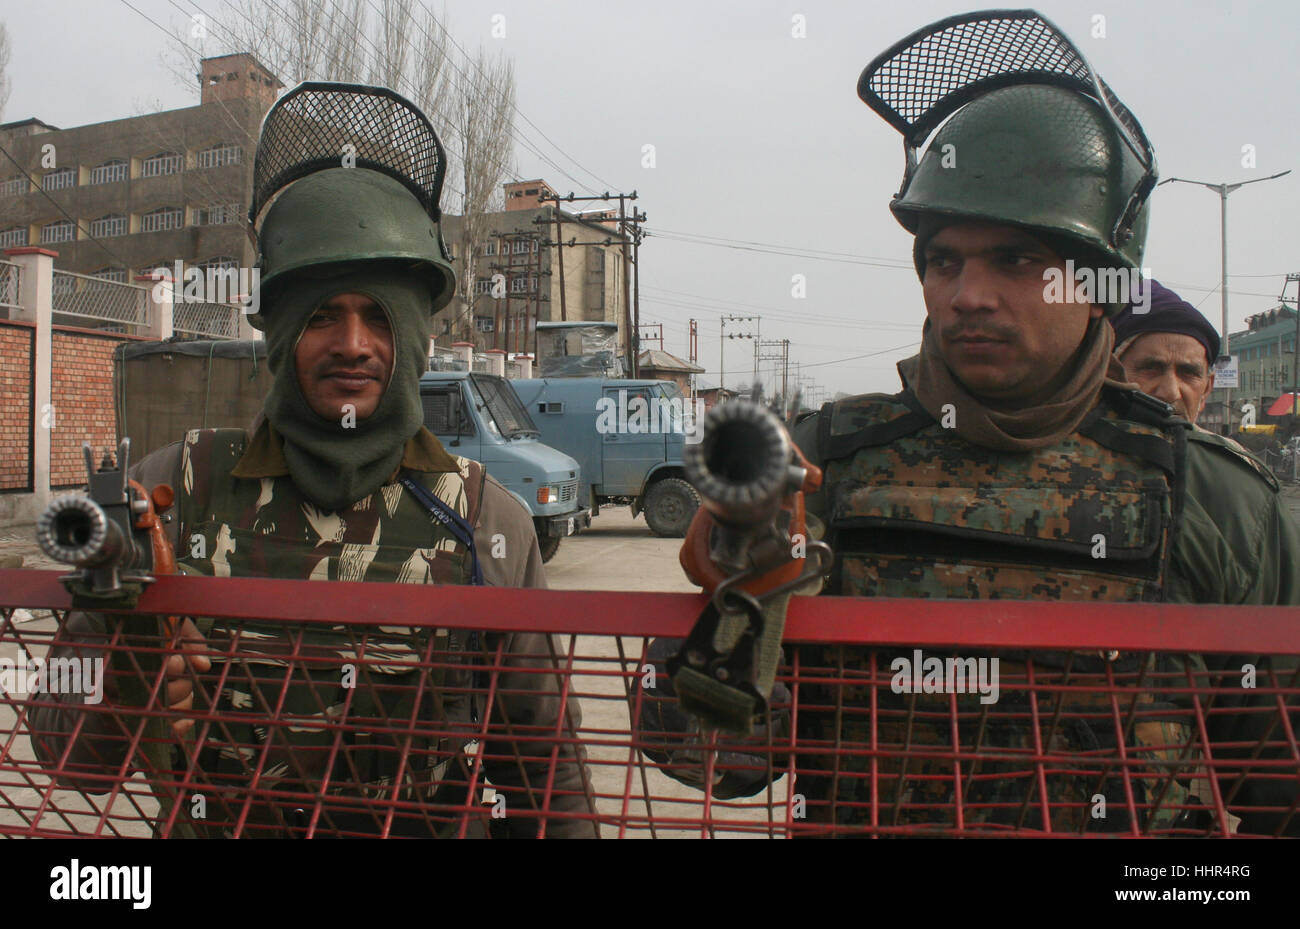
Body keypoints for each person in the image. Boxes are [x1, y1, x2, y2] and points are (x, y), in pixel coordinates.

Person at [648, 12, 1300, 836]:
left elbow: (1278, 794)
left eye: (1017, 260)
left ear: (1096, 282)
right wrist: (745, 605)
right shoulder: (819, 468)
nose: (968, 294)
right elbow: (707, 761)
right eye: (944, 259)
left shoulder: (1212, 498)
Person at [27, 83, 597, 839]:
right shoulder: (176, 492)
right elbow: (72, 761)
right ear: (281, 331)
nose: (352, 344)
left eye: (377, 315)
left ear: (417, 336)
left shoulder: (485, 520)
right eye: (322, 315)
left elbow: (545, 774)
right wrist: (123, 668)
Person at [1111, 280, 1220, 424]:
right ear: (1110, 374)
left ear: (1206, 390)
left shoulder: (1219, 447)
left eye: (1188, 373)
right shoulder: (1074, 443)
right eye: (1151, 368)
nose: (1171, 393)